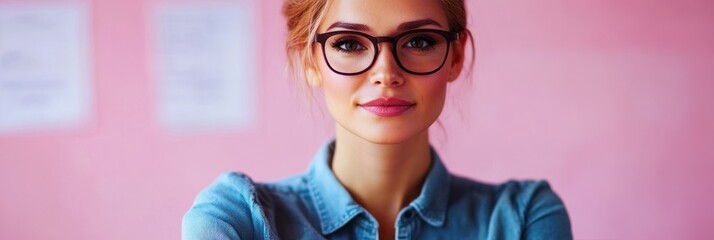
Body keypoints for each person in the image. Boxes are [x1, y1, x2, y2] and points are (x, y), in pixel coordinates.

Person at [182, 0, 573, 239]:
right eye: (349, 43)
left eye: (420, 41)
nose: (385, 72)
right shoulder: (237, 217)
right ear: (308, 61)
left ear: (455, 56)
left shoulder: (524, 219)